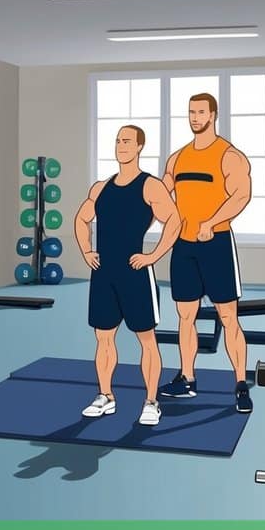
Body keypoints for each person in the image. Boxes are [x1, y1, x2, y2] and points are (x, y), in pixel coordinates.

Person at [74, 124, 181, 425]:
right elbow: (82, 219)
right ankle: (105, 396)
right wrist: (86, 251)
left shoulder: (150, 186)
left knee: (146, 339)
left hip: (135, 274)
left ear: (139, 147)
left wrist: (153, 256)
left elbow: (173, 220)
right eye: (118, 140)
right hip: (104, 273)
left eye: (127, 141)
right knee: (103, 338)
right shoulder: (101, 187)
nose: (121, 145)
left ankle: (151, 401)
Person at [158, 93, 254, 413]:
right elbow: (161, 194)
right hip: (184, 246)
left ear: (213, 114)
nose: (195, 117)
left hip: (216, 245)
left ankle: (240, 383)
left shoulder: (229, 155)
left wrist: (212, 222)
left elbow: (241, 195)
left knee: (228, 317)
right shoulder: (177, 158)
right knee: (186, 316)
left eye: (201, 112)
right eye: (191, 112)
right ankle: (187, 378)